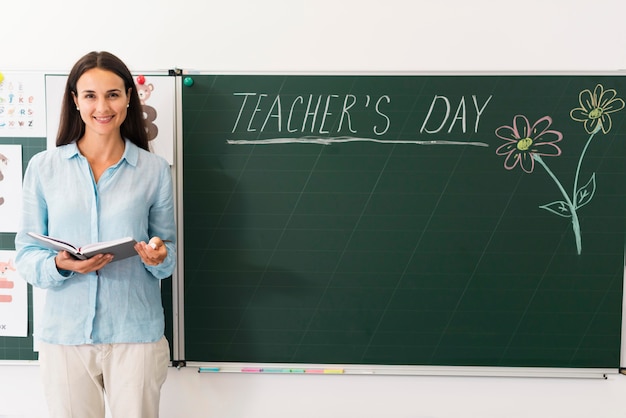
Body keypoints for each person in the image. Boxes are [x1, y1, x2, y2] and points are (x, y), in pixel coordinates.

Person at [14, 51, 176, 418]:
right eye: (90, 95)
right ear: (74, 100)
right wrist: (60, 264)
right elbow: (25, 254)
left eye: (113, 94)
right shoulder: (43, 168)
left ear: (129, 98)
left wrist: (159, 256)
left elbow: (169, 252)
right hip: (65, 337)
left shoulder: (153, 171)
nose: (102, 106)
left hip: (135, 333)